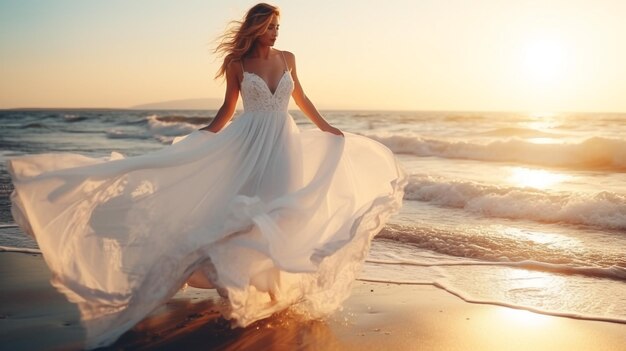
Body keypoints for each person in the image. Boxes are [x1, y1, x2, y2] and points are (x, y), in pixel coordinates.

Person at [7, 3, 406, 349]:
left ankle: (270, 286)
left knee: (283, 211)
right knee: (250, 212)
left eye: (278, 27)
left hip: (284, 143)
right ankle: (237, 281)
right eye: (270, 26)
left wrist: (325, 129)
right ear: (256, 28)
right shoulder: (236, 64)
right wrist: (194, 143)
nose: (276, 32)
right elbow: (227, 111)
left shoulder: (288, 57)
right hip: (248, 145)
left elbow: (300, 97)